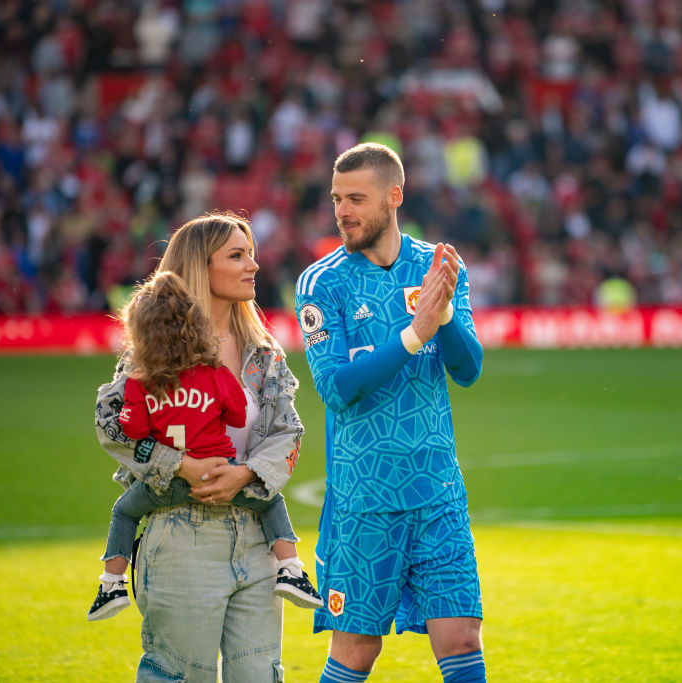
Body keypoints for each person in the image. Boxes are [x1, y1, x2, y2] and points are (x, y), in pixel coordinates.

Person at [295, 142, 486, 683]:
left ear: (394, 196)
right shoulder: (321, 282)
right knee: (357, 649)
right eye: (336, 199)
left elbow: (468, 369)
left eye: (356, 198)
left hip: (437, 493)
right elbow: (336, 388)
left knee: (462, 637)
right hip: (365, 500)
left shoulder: (439, 267)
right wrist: (413, 334)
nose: (342, 211)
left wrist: (444, 314)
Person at [94, 212, 311, 682]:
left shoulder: (263, 352)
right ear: (199, 267)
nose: (253, 264)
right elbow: (112, 424)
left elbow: (288, 432)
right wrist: (181, 466)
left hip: (256, 535)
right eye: (237, 255)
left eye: (251, 253)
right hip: (178, 536)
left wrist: (248, 474)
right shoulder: (152, 350)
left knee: (259, 676)